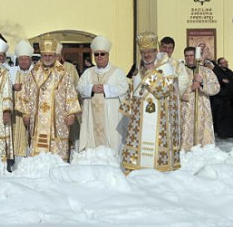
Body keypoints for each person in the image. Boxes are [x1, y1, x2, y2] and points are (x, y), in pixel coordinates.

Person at [121, 32, 182, 173]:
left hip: (160, 117)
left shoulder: (166, 67)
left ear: (156, 51)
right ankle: (135, 165)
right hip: (140, 118)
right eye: (143, 52)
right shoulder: (139, 68)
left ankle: (159, 168)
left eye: (150, 51)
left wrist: (149, 76)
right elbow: (134, 91)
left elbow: (164, 90)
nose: (146, 55)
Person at [15, 36, 81, 161]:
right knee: (38, 152)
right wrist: (26, 113)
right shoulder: (33, 74)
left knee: (57, 152)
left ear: (56, 56)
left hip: (58, 119)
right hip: (37, 118)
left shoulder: (63, 74)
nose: (47, 58)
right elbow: (24, 94)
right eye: (45, 55)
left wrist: (71, 114)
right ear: (41, 55)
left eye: (50, 55)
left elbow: (71, 94)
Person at [76, 35, 129, 153]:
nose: (99, 57)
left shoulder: (118, 72)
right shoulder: (88, 73)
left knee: (112, 143)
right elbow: (79, 87)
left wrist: (106, 89)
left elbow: (124, 88)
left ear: (108, 55)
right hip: (92, 116)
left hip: (111, 116)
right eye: (96, 54)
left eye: (102, 54)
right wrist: (91, 88)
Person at [180, 46, 220, 150]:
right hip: (186, 110)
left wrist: (202, 83)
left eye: (191, 55)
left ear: (197, 57)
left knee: (204, 141)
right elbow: (174, 91)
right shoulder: (180, 72)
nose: (189, 58)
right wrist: (190, 89)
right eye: (187, 56)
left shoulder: (207, 72)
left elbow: (216, 88)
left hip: (203, 110)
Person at [8, 39, 34, 158]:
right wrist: (12, 87)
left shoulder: (35, 72)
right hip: (15, 112)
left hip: (31, 110)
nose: (23, 62)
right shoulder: (11, 71)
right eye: (21, 59)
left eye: (26, 59)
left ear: (30, 60)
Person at [212, 57, 233, 138]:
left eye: (226, 61)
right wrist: (222, 81)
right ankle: (222, 133)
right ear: (219, 64)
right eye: (223, 62)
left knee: (229, 116)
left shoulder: (229, 72)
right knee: (220, 116)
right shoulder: (216, 72)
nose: (226, 63)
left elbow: (230, 82)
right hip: (219, 98)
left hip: (228, 98)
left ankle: (229, 133)